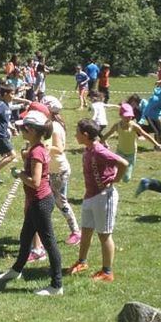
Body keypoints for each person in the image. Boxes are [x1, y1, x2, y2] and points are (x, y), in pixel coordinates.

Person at [0, 110, 63, 296]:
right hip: (36, 201)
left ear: (32, 130)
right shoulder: (36, 148)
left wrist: (19, 174)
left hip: (40, 202)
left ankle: (57, 285)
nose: (21, 129)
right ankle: (16, 270)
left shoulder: (37, 152)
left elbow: (35, 181)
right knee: (25, 238)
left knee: (49, 243)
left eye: (23, 127)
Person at [68, 119, 128, 282]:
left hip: (104, 197)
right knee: (86, 231)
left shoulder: (99, 150)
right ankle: (82, 262)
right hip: (89, 196)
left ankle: (107, 272)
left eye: (77, 132)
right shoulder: (88, 149)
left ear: (85, 135)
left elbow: (123, 163)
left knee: (104, 235)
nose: (75, 135)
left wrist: (115, 180)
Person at [43, 96, 82, 246]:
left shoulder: (55, 127)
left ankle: (76, 232)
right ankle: (43, 232)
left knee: (60, 201)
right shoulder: (50, 124)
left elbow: (59, 149)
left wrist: (43, 147)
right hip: (53, 169)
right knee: (50, 201)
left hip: (58, 170)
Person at [102, 103, 161, 183]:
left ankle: (120, 174)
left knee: (126, 179)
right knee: (113, 171)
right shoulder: (117, 125)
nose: (128, 118)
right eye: (126, 116)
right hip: (120, 152)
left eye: (130, 116)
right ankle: (109, 184)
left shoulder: (134, 126)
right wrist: (98, 144)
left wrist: (158, 146)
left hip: (131, 154)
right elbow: (107, 134)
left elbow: (145, 135)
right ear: (121, 115)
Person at [142, 82, 161, 147]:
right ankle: (158, 147)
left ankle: (160, 146)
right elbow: (149, 108)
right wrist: (144, 118)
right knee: (156, 131)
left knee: (159, 130)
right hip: (149, 115)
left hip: (155, 116)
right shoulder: (156, 99)